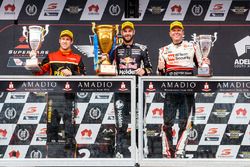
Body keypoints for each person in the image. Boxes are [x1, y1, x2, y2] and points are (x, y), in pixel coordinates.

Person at [157, 21, 209, 158]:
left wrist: (206, 63)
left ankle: (179, 151)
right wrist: (160, 68)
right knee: (167, 123)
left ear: (183, 33)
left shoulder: (192, 46)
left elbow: (201, 67)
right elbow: (160, 75)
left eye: (179, 30)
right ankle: (168, 152)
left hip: (187, 90)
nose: (176, 32)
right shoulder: (163, 50)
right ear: (170, 33)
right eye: (173, 30)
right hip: (170, 91)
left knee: (185, 122)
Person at [34, 29, 86, 157]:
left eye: (68, 39)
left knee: (69, 128)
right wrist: (33, 60)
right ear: (59, 40)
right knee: (52, 127)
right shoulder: (51, 56)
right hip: (54, 96)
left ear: (71, 42)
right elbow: (39, 72)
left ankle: (70, 156)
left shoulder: (77, 58)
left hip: (70, 97)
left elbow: (84, 77)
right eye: (63, 39)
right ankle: (51, 154)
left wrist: (72, 74)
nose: (65, 41)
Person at [109, 21, 153, 158]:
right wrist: (110, 70)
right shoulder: (115, 50)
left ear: (133, 32)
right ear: (122, 33)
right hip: (120, 92)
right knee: (120, 125)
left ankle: (141, 154)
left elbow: (150, 68)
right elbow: (106, 66)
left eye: (129, 31)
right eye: (125, 31)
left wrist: (144, 70)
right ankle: (119, 153)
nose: (127, 33)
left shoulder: (142, 48)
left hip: (138, 92)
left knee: (139, 125)